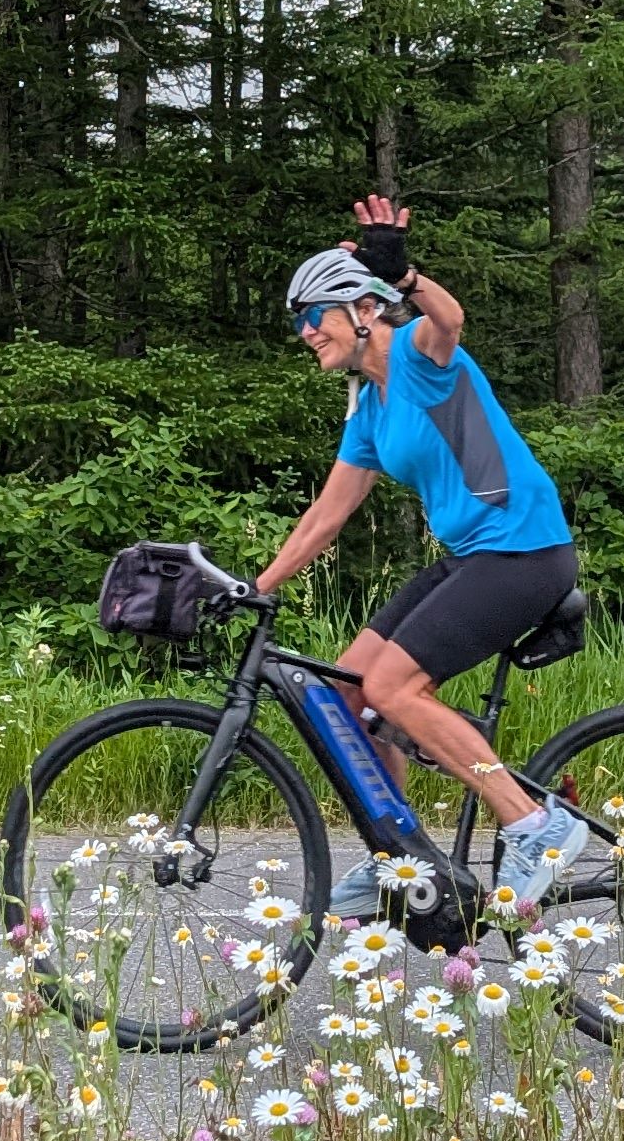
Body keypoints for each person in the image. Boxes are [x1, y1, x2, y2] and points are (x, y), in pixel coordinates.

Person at [253, 193, 598, 918]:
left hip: (524, 551)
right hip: (475, 557)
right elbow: (328, 513)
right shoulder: (371, 408)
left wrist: (403, 277)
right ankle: (404, 862)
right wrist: (258, 586)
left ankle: (535, 822)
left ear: (361, 312)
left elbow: (450, 319)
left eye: (313, 315)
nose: (304, 332)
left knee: (395, 691)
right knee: (346, 691)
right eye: (299, 322)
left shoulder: (417, 356)